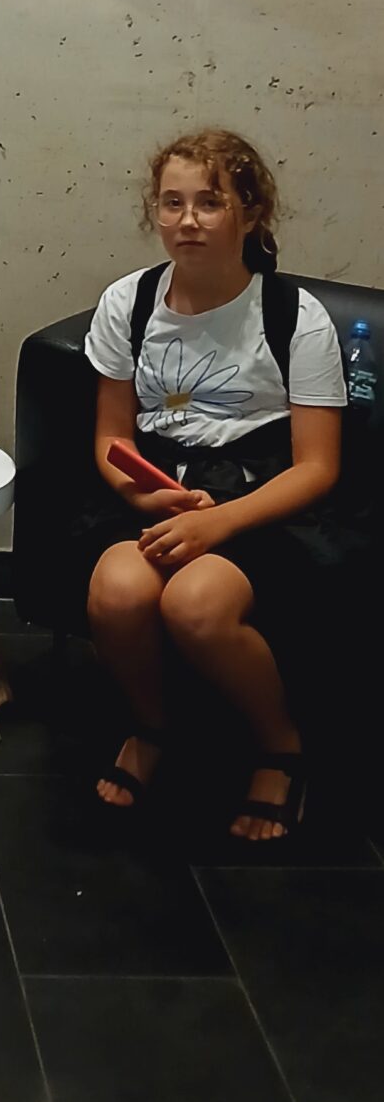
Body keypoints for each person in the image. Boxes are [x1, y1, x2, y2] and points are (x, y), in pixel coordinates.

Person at [83, 128, 348, 845]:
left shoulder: (294, 317)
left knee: (196, 606)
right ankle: (153, 727)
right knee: (116, 592)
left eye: (209, 202)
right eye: (172, 203)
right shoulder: (130, 302)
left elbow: (318, 467)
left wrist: (219, 523)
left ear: (250, 213)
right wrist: (140, 494)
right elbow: (111, 438)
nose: (188, 220)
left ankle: (281, 748)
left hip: (259, 503)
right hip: (162, 491)